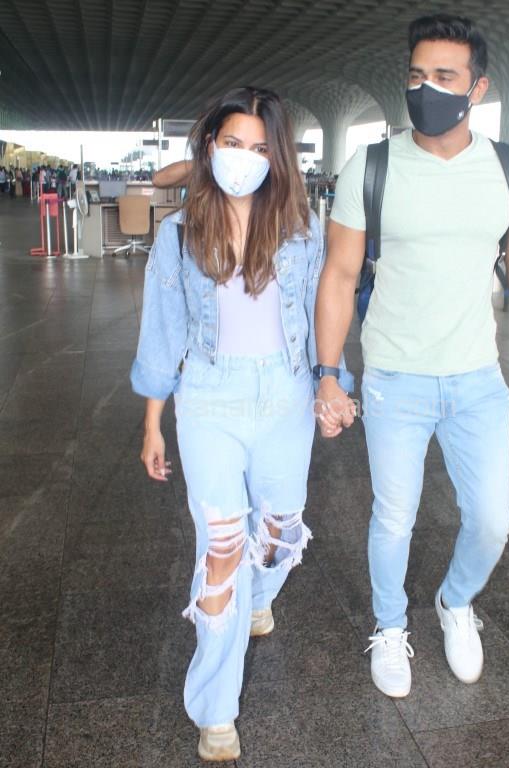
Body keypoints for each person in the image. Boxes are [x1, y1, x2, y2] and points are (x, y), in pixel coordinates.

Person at [314, 13, 509, 698]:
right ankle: (390, 626)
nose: (427, 89)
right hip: (395, 377)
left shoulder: (507, 167)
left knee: (492, 521)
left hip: (477, 378)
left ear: (477, 88)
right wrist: (328, 374)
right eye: (417, 75)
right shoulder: (373, 165)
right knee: (394, 517)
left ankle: (455, 602)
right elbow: (338, 274)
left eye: (444, 76)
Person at [130, 86, 351, 762]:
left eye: (260, 148)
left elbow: (321, 315)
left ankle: (258, 595)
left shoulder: (301, 229)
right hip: (209, 398)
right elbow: (162, 331)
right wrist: (152, 422)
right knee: (222, 547)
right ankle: (215, 710)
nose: (245, 158)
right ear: (210, 145)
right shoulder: (179, 233)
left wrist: (332, 382)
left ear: (276, 157)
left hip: (286, 394)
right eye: (233, 143)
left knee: (280, 533)